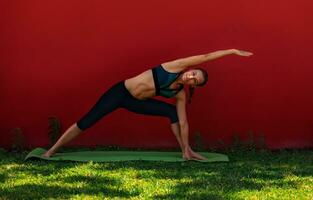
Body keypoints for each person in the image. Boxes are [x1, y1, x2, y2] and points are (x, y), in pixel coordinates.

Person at [42, 49, 253, 160]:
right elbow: (206, 56)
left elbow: (184, 122)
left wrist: (187, 145)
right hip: (120, 92)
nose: (191, 76)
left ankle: (185, 152)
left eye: (194, 80)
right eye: (193, 73)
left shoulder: (178, 93)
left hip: (137, 103)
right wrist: (232, 51)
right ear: (191, 69)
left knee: (173, 113)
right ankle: (52, 150)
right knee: (87, 121)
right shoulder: (175, 66)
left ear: (193, 85)